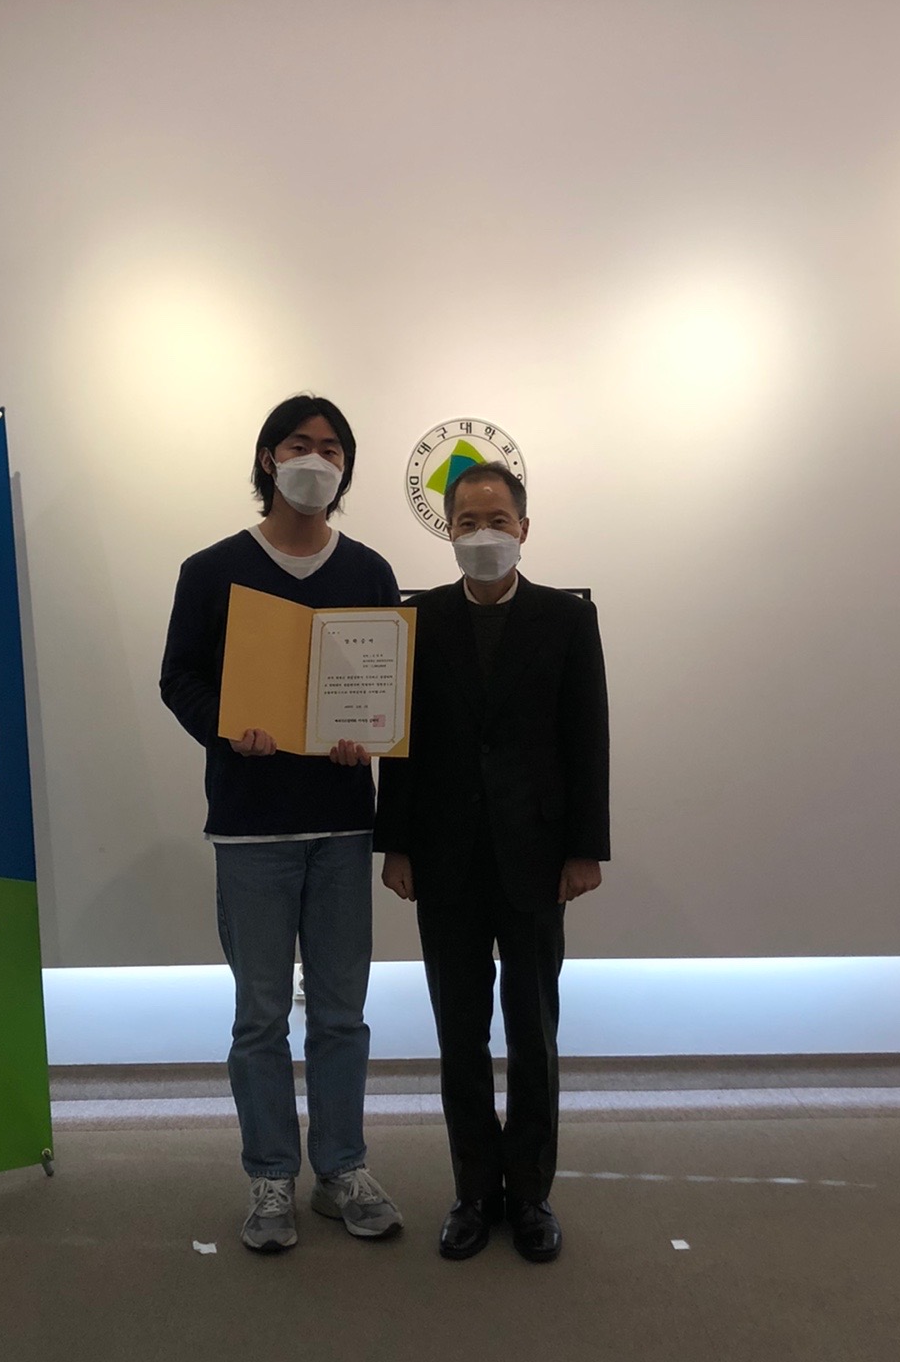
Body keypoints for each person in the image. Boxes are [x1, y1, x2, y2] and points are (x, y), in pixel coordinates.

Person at [160, 394, 404, 1254]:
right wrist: (229, 726)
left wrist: (371, 739)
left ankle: (342, 1170)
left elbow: (388, 688)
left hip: (340, 824)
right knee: (260, 1016)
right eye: (300, 444)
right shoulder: (212, 569)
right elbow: (179, 678)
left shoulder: (369, 570)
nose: (316, 461)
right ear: (268, 458)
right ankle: (270, 1178)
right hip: (251, 827)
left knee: (341, 1014)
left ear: (347, 467)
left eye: (333, 449)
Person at [375, 461, 610, 1263]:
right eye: (468, 522)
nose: (484, 535)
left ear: (524, 529)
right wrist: (396, 844)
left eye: (497, 521)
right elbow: (399, 746)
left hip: (538, 856)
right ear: (448, 531)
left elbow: (587, 736)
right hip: (443, 857)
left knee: (534, 1032)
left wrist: (585, 848)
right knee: (460, 1033)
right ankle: (474, 1190)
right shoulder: (416, 619)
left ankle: (531, 1193)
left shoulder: (568, 618)